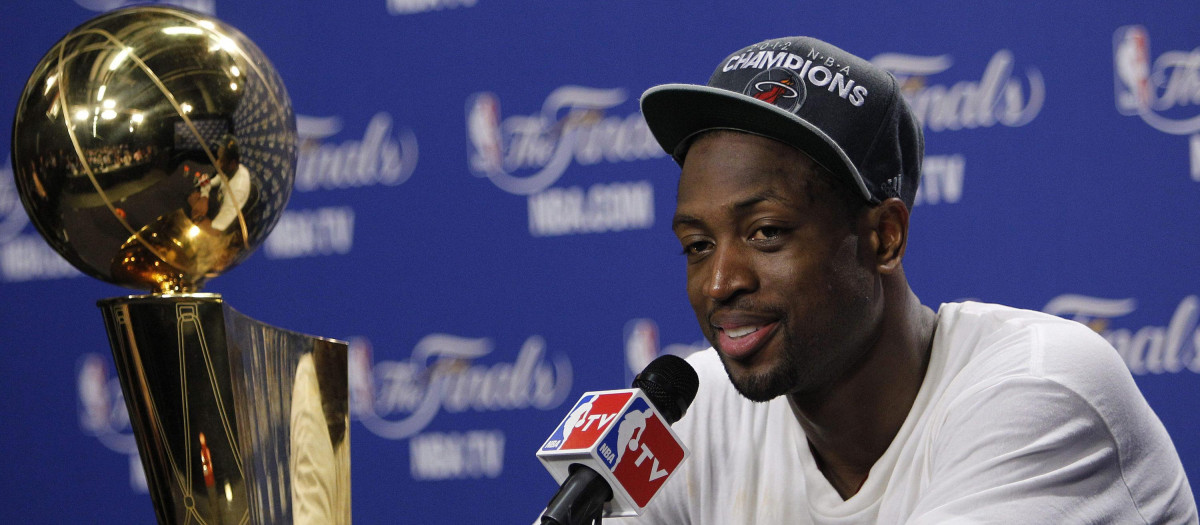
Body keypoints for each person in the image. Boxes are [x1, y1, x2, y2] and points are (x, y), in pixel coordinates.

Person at [618, 36, 1198, 523]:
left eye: (766, 233)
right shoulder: (688, 412)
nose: (720, 283)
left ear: (884, 237)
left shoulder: (1042, 388)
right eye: (697, 246)